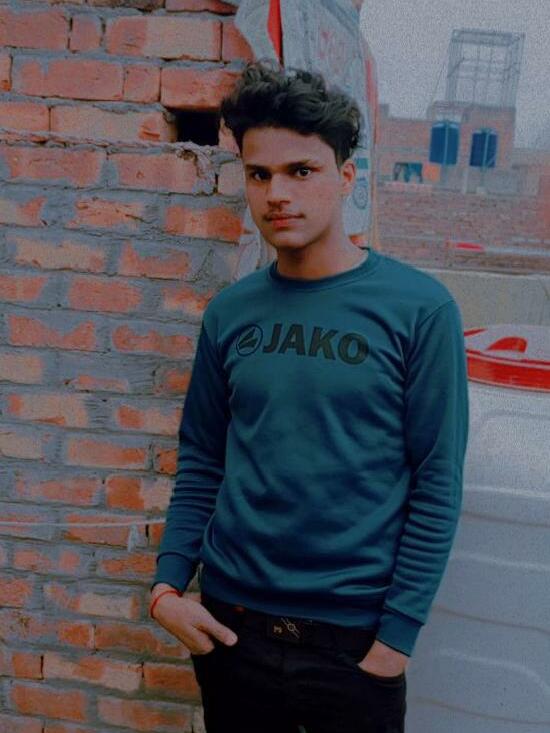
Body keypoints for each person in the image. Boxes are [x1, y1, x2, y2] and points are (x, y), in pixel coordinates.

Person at [148, 59, 469, 733]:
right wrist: (167, 588)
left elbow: (436, 481)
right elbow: (202, 458)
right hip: (231, 629)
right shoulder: (230, 313)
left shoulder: (420, 309)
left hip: (352, 645)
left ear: (346, 178)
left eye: (301, 171)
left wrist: (395, 640)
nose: (277, 194)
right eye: (259, 174)